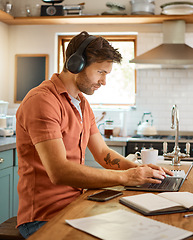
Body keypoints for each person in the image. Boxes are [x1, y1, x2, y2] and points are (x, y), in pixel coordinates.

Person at [16, 31, 172, 239]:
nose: (104, 81)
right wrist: (126, 177)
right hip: (43, 217)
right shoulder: (42, 101)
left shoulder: (81, 103)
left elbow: (102, 153)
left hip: (77, 205)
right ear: (76, 65)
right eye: (100, 72)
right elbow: (59, 172)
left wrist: (140, 169)